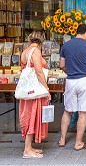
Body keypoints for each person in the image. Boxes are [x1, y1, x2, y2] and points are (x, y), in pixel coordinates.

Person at [58, 24, 86, 150]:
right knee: (83, 113)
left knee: (67, 111)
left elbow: (61, 65)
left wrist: (70, 72)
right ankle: (78, 143)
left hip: (71, 81)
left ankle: (62, 140)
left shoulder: (66, 45)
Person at [19, 31, 51, 159]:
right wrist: (46, 89)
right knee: (32, 117)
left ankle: (29, 147)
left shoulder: (25, 52)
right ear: (41, 41)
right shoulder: (36, 52)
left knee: (28, 116)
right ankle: (27, 150)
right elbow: (38, 72)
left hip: (28, 92)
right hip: (35, 92)